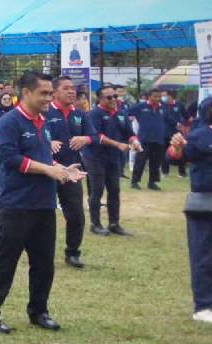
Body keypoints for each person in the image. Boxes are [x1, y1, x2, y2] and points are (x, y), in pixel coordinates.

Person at [0, 71, 84, 334]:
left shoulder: (44, 122)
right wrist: (48, 170)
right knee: (6, 260)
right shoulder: (9, 121)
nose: (49, 98)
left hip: (44, 205)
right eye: (44, 93)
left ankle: (39, 311)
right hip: (16, 204)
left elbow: (43, 158)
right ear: (26, 93)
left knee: (43, 262)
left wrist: (61, 168)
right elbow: (9, 158)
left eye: (51, 93)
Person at [166, 98, 212, 323]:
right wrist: (176, 148)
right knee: (204, 256)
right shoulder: (201, 134)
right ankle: (203, 305)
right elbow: (177, 156)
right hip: (205, 205)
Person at [45, 76, 96, 268]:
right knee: (44, 215)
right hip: (48, 170)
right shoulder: (46, 112)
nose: (71, 91)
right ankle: (42, 251)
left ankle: (72, 252)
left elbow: (93, 135)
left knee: (76, 215)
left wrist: (85, 139)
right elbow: (37, 135)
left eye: (72, 88)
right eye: (66, 88)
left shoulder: (80, 114)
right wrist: (48, 142)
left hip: (72, 171)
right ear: (55, 92)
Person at [84, 85, 139, 236]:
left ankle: (114, 223)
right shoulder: (94, 115)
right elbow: (97, 136)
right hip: (96, 157)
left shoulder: (121, 113)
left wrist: (134, 141)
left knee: (114, 190)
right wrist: (118, 144)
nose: (114, 99)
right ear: (100, 99)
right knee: (97, 190)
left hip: (114, 158)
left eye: (115, 96)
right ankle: (95, 224)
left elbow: (130, 133)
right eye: (109, 97)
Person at [129, 89, 168, 190]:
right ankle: (134, 181)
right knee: (140, 161)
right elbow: (126, 113)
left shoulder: (163, 107)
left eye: (159, 96)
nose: (158, 99)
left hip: (158, 139)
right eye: (155, 96)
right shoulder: (140, 107)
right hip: (144, 139)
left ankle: (152, 182)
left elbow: (169, 118)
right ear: (149, 96)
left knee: (155, 162)